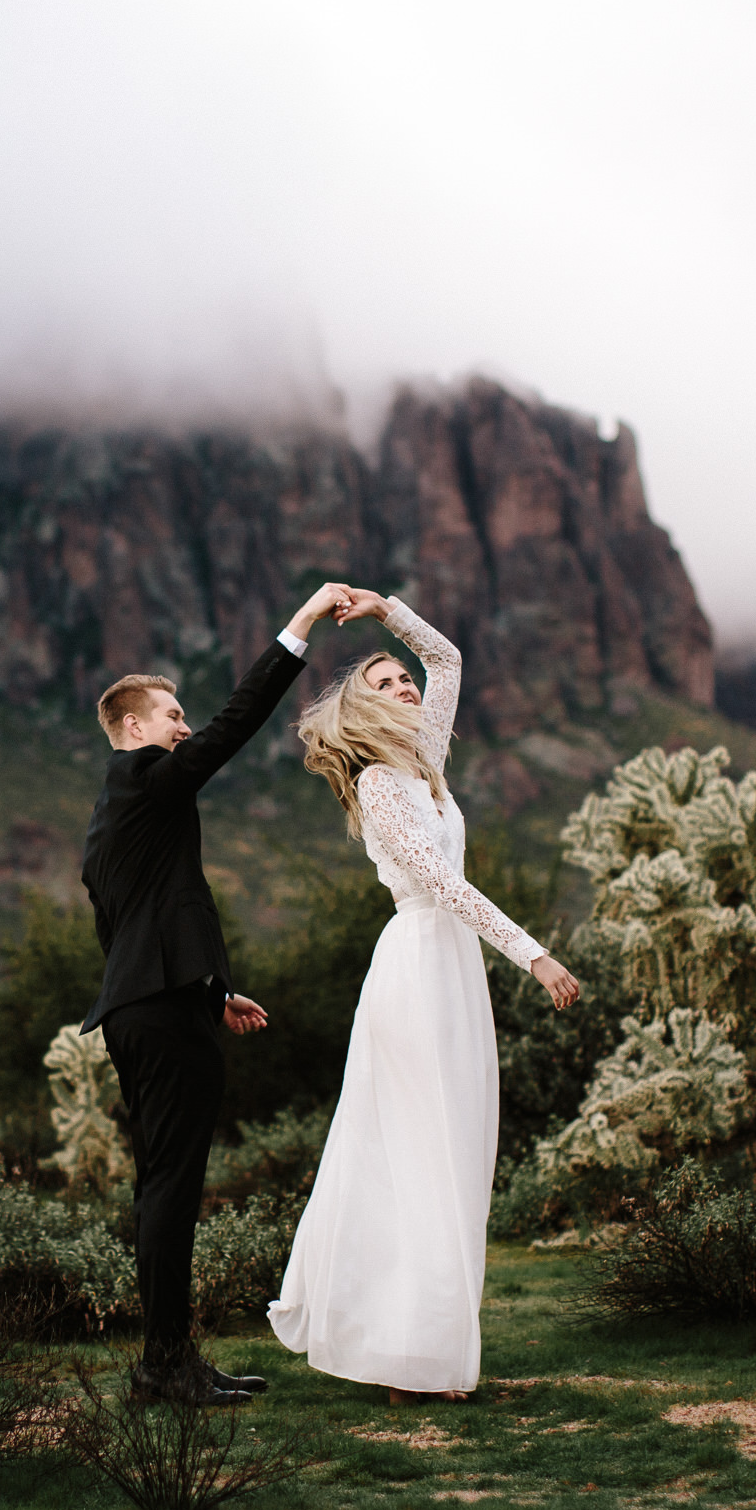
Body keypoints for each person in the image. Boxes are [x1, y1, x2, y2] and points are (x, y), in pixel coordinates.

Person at [268, 587, 581, 1404]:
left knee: (460, 1152)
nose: (407, 688)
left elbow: (447, 657)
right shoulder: (379, 783)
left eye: (404, 683)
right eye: (385, 684)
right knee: (418, 1150)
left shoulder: (428, 765)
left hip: (455, 971)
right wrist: (535, 954)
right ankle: (408, 1353)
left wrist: (384, 611)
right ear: (359, 712)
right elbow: (440, 884)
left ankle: (429, 1345)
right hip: (415, 963)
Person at [82, 579, 353, 1408]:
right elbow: (239, 722)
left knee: (165, 1183)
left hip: (153, 1006)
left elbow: (133, 921)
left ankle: (169, 1361)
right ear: (135, 727)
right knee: (170, 1187)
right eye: (171, 715)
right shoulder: (145, 778)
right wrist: (301, 624)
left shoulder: (117, 816)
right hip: (160, 1014)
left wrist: (212, 990)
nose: (185, 726)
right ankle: (165, 1368)